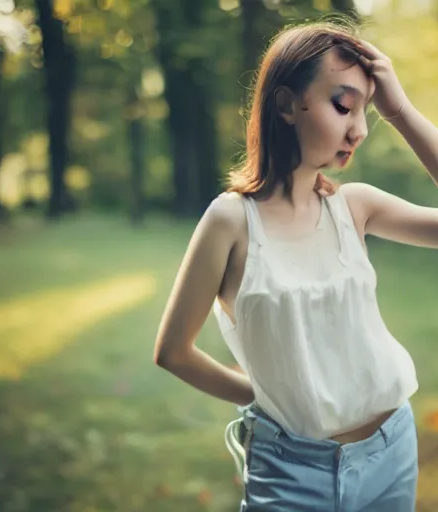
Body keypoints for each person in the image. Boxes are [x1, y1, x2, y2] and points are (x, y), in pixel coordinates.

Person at [153, 21, 438, 511]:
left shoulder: (355, 206)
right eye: (345, 106)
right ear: (286, 105)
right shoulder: (230, 220)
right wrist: (268, 395)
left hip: (392, 452)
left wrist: (401, 111)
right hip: (290, 472)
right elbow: (174, 352)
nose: (360, 129)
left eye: (368, 112)